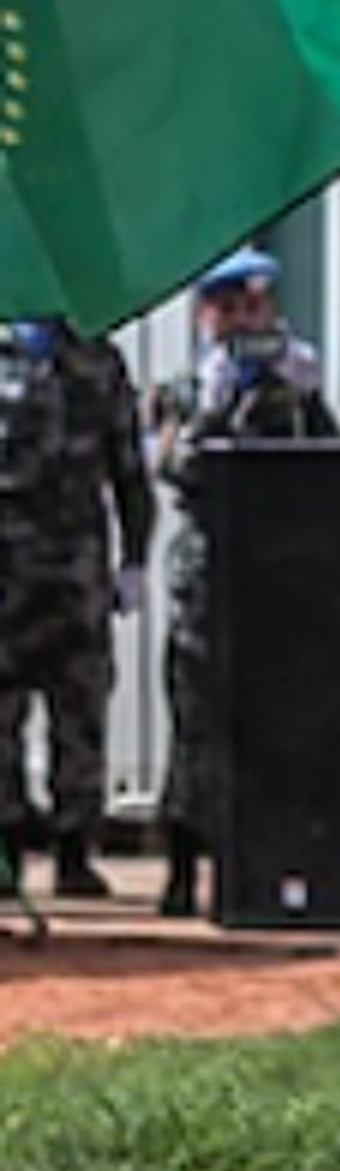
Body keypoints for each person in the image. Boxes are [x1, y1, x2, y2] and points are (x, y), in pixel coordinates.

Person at [148, 251, 340, 918]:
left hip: (283, 579)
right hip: (208, 578)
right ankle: (182, 869)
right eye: (228, 309)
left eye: (254, 307)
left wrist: (310, 398)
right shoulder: (182, 390)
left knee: (284, 724)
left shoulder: (291, 387)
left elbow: (330, 467)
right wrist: (211, 408)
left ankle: (273, 868)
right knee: (197, 726)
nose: (243, 322)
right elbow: (176, 470)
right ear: (205, 317)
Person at [0, 317, 156, 899]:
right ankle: (7, 849)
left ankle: (73, 851)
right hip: (6, 567)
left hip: (75, 569)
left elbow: (128, 469)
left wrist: (135, 558)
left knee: (81, 712)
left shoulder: (98, 360)